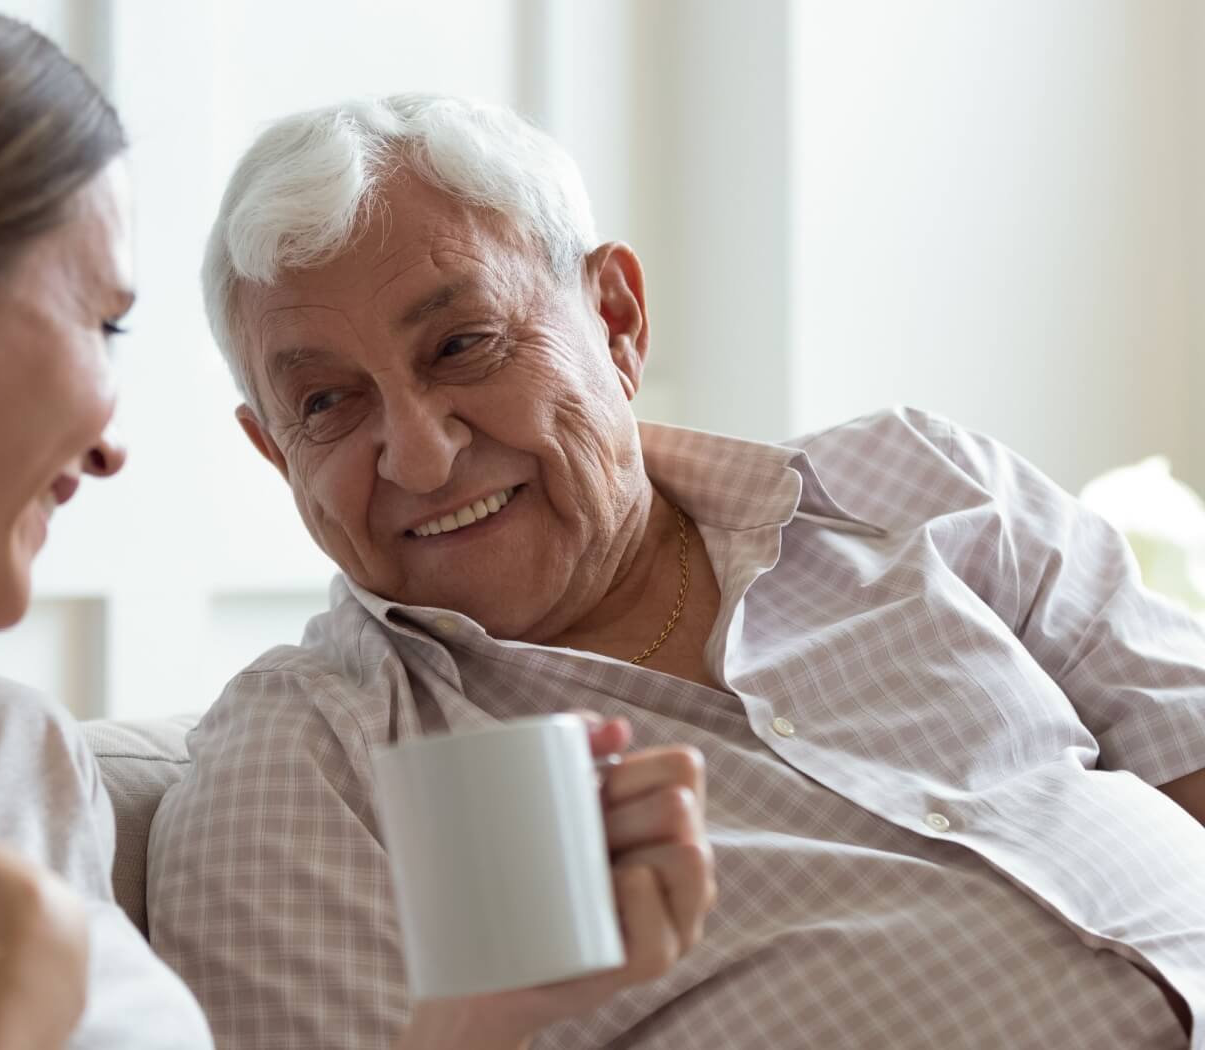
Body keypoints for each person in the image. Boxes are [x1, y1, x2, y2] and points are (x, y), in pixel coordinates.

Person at [0, 7, 699, 1050]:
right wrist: (17, 984)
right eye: (101, 322)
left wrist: (482, 1019)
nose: (111, 445)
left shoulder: (6, 757)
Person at [146, 92, 1205, 1049]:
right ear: (274, 449)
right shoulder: (309, 770)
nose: (416, 455)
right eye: (328, 403)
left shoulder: (919, 486)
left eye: (463, 344)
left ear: (614, 320)